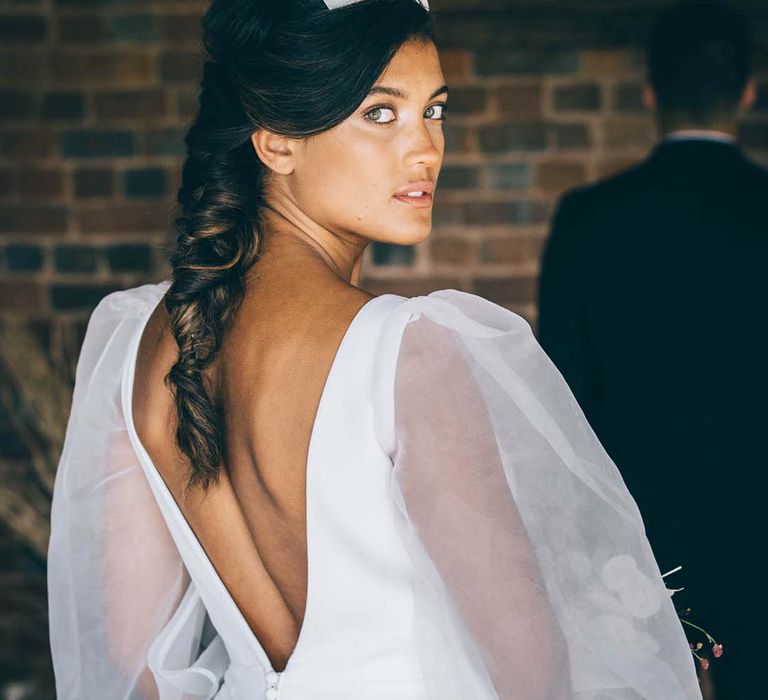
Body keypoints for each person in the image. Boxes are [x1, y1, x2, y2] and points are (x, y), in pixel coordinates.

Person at [47, 1, 701, 699]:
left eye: (435, 110)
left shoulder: (144, 339)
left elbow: (131, 656)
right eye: (380, 114)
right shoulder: (410, 355)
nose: (425, 148)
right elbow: (535, 675)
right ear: (275, 140)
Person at [537, 2, 767, 697]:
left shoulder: (588, 222)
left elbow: (562, 408)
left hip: (638, 563)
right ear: (748, 92)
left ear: (649, 91)